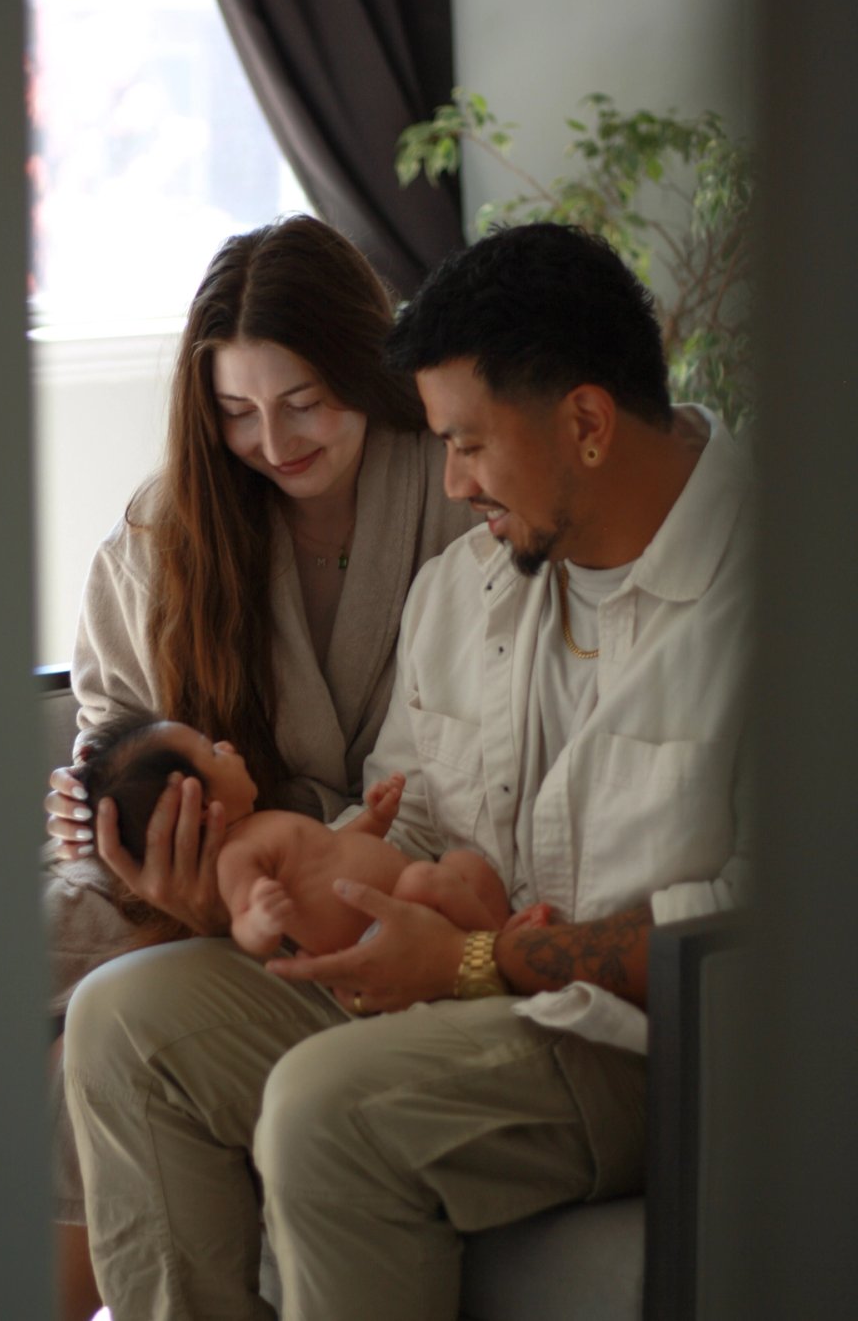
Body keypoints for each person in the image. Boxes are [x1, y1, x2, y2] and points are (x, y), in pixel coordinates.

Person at [63, 222, 751, 1321]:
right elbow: (412, 825)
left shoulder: (778, 599)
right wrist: (270, 896)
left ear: (584, 422)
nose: (452, 482)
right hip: (460, 992)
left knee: (323, 1107)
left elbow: (756, 945)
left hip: (634, 1044)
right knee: (121, 1023)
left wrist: (477, 957)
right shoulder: (469, 589)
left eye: (470, 445)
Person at [43, 215, 472, 1321]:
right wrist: (111, 827)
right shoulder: (170, 529)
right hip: (192, 864)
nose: (271, 442)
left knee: (103, 1013)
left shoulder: (454, 485)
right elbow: (118, 727)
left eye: (302, 402)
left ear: (363, 369)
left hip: (337, 872)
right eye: (235, 412)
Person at [52, 716, 545, 963]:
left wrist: (374, 819)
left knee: (465, 865)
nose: (225, 745)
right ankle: (502, 952)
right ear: (199, 805)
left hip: (402, 898)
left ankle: (497, 934)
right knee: (425, 878)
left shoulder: (267, 824)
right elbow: (243, 922)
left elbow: (337, 850)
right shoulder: (238, 857)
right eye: (209, 751)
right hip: (371, 937)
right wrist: (260, 921)